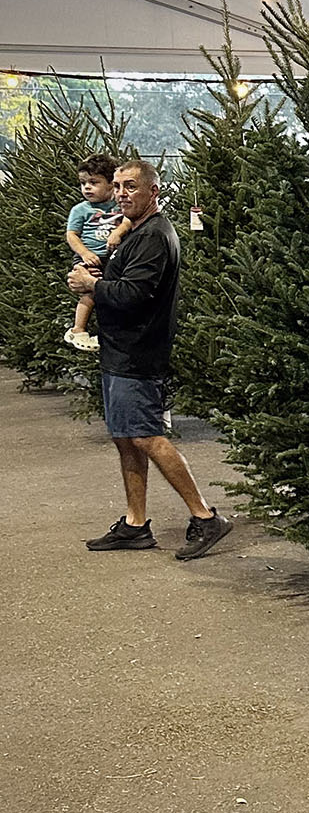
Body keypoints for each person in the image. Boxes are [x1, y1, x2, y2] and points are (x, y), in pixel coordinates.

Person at [69, 160, 233, 560]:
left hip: (139, 353)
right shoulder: (135, 233)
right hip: (118, 350)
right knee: (125, 438)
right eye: (119, 187)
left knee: (145, 436)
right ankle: (135, 524)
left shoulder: (155, 236)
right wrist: (98, 270)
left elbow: (132, 294)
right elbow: (123, 277)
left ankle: (206, 516)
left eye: (131, 187)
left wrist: (93, 284)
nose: (123, 193)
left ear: (153, 192)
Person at [62, 153, 120, 351]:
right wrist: (85, 253)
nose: (87, 187)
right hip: (89, 258)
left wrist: (118, 232)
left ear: (111, 184)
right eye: (83, 183)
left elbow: (129, 220)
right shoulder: (80, 210)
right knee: (90, 292)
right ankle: (78, 329)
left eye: (94, 182)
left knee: (111, 293)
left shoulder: (119, 206)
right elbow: (72, 235)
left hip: (113, 258)